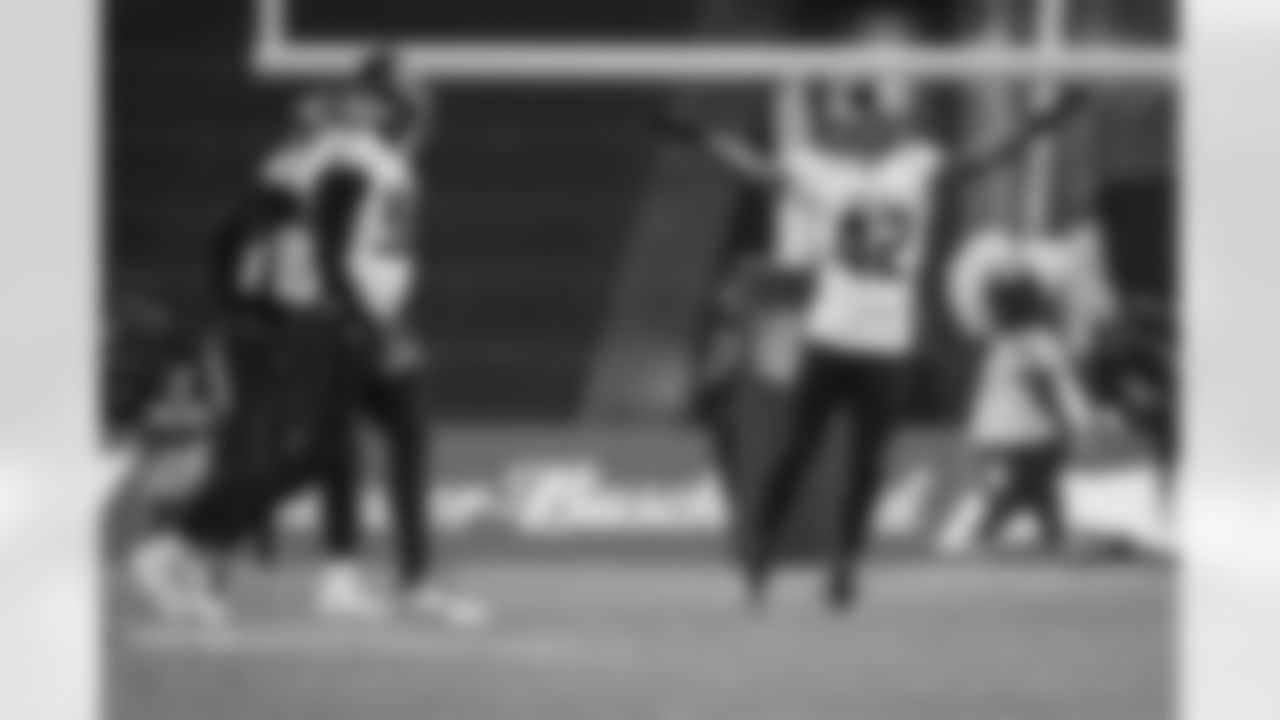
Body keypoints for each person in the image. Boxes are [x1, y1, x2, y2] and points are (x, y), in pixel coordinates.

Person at [658, 10, 1088, 612]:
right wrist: (1041, 124)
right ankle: (798, 555)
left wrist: (700, 139)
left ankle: (806, 559)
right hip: (864, 337)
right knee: (838, 456)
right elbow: (988, 157)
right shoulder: (904, 162)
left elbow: (756, 171)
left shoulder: (834, 163)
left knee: (830, 454)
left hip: (857, 336)